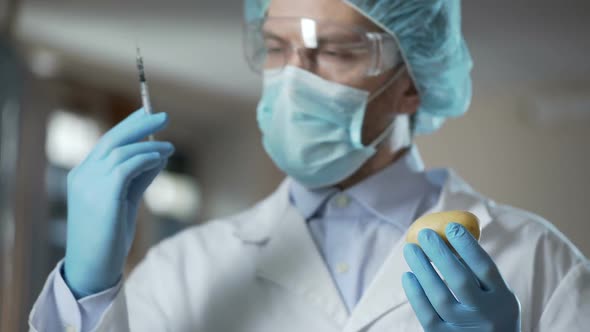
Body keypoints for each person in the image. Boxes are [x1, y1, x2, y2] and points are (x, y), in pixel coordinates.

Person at [29, 0, 590, 331]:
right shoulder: (183, 268)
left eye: (336, 52)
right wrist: (87, 290)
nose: (293, 78)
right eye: (276, 49)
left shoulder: (536, 258)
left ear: (413, 84)